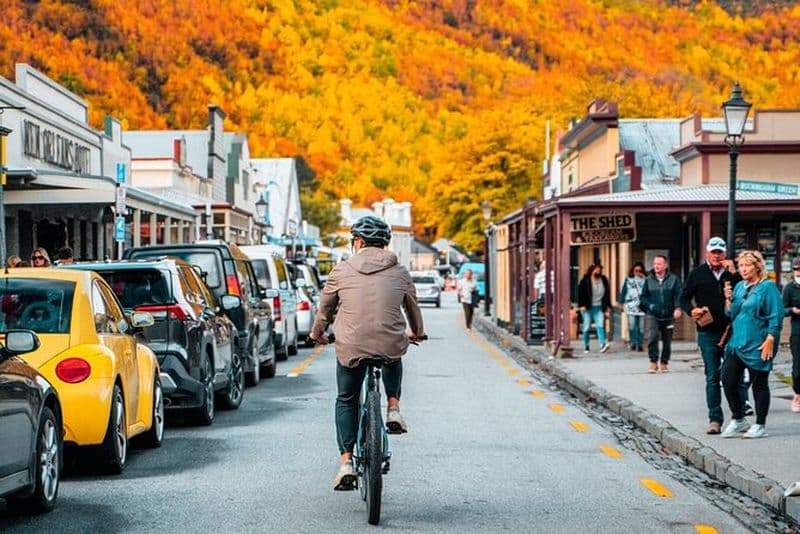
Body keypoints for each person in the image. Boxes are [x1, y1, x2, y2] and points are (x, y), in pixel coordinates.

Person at [309, 215, 425, 491]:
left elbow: (325, 310)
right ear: (384, 243)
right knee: (394, 350)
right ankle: (393, 408)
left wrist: (317, 334)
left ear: (358, 242)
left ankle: (346, 463)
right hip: (389, 343)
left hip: (351, 346)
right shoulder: (400, 271)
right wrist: (417, 332)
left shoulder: (341, 270)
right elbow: (412, 307)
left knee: (346, 399)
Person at [680, 237, 745, 435]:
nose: (717, 255)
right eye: (713, 252)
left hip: (731, 331)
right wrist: (691, 310)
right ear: (707, 253)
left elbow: (745, 292)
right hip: (707, 331)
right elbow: (683, 297)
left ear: (725, 253)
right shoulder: (697, 273)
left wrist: (735, 273)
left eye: (720, 252)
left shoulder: (732, 273)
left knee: (735, 376)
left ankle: (739, 417)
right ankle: (715, 419)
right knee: (712, 377)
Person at [720, 250, 783, 439]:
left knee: (759, 383)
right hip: (737, 342)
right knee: (728, 379)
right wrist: (728, 300)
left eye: (747, 265)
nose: (743, 269)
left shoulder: (767, 287)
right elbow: (730, 314)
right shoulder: (739, 287)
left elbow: (776, 315)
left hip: (759, 342)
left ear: (757, 267)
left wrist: (771, 338)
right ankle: (738, 418)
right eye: (741, 266)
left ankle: (760, 424)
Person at [639, 255, 682, 373]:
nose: (656, 266)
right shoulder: (648, 280)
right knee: (653, 337)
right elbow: (643, 297)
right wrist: (650, 306)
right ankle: (653, 362)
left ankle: (664, 362)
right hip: (653, 314)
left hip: (669, 315)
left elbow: (679, 295)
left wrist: (678, 308)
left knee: (667, 340)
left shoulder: (674, 279)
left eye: (659, 264)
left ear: (665, 265)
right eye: (654, 264)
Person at [577, 263, 611, 353]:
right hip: (587, 307)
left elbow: (607, 293)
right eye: (596, 270)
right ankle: (586, 345)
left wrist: (608, 306)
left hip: (599, 306)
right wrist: (581, 305)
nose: (598, 271)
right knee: (586, 327)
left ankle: (602, 344)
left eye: (599, 270)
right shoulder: (585, 280)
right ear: (591, 271)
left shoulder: (604, 280)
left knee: (600, 325)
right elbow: (580, 293)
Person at [783, 257, 800, 413]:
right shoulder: (789, 288)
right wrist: (793, 310)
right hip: (797, 331)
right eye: (796, 269)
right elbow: (783, 309)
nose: (798, 272)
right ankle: (798, 394)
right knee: (797, 366)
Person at [618, 262, 646, 352]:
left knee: (641, 326)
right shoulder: (628, 280)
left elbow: (649, 291)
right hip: (631, 305)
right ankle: (633, 343)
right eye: (636, 270)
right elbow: (623, 291)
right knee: (632, 324)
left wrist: (644, 278)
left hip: (641, 305)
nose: (638, 272)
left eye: (640, 271)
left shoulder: (646, 280)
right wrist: (621, 303)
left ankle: (640, 344)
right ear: (632, 271)